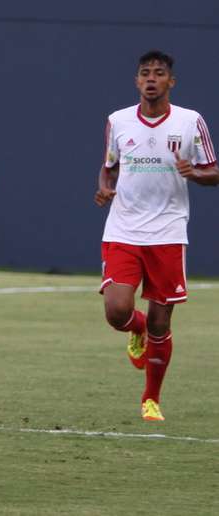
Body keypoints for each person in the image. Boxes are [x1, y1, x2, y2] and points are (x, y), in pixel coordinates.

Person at [95, 50, 218, 421]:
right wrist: (104, 188)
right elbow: (108, 168)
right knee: (117, 312)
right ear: (137, 81)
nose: (151, 78)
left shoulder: (190, 121)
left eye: (159, 73)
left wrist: (194, 174)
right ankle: (138, 328)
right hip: (124, 228)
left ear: (170, 82)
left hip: (167, 231)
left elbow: (213, 170)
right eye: (145, 73)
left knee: (164, 322)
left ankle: (151, 399)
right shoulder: (118, 121)